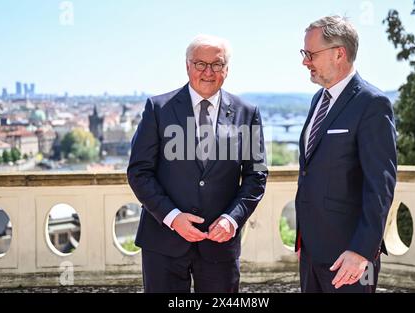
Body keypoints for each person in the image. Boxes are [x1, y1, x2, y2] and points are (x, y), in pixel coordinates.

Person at [127, 34, 268, 293]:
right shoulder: (158, 108)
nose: (208, 71)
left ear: (227, 69)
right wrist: (172, 217)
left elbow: (256, 177)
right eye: (200, 64)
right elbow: (139, 172)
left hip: (219, 243)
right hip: (163, 242)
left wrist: (232, 219)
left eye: (216, 64)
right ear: (187, 66)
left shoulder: (247, 113)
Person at [295, 16, 397, 293]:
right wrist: (302, 242)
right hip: (311, 253)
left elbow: (381, 185)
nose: (305, 61)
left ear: (339, 53)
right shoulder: (318, 99)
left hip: (349, 258)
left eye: (310, 54)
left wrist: (361, 251)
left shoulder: (372, 104)